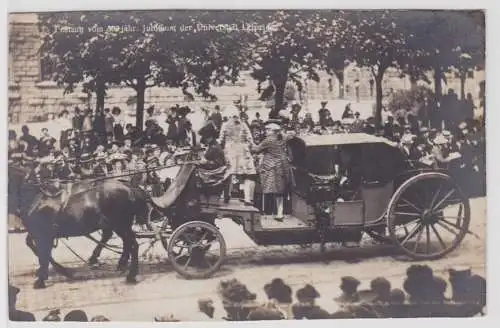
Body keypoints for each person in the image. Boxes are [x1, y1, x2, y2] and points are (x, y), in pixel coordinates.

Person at [251, 123, 293, 221]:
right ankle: (280, 212)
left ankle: (270, 211)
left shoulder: (269, 140)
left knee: (271, 189)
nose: (266, 132)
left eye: (268, 130)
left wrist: (249, 143)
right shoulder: (283, 137)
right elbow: (291, 135)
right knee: (280, 190)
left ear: (273, 131)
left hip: (273, 166)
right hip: (283, 165)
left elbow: (256, 150)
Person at [219, 108, 257, 205]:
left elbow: (221, 140)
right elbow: (250, 139)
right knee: (247, 175)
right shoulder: (243, 125)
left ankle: (226, 196)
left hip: (230, 150)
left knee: (228, 174)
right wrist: (253, 147)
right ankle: (248, 199)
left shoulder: (225, 125)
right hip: (243, 151)